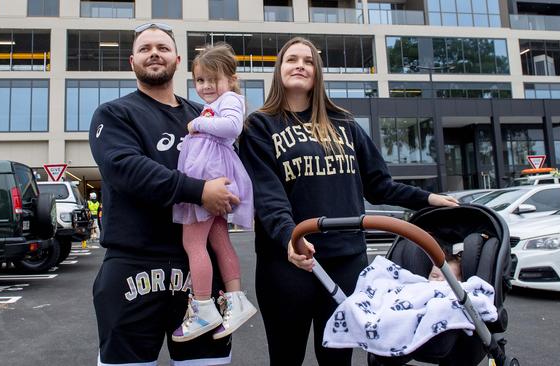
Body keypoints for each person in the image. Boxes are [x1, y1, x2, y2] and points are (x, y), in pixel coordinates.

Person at [238, 37, 459, 366]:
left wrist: (427, 198)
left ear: (317, 72)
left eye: (308, 61)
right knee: (286, 358)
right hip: (289, 265)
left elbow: (379, 185)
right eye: (291, 59)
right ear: (278, 69)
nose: (300, 65)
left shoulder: (344, 124)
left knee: (337, 360)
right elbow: (270, 198)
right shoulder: (259, 125)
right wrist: (290, 237)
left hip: (346, 262)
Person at [88, 23, 238, 366]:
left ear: (177, 59)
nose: (154, 53)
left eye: (162, 47)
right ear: (132, 62)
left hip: (199, 274)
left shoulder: (203, 116)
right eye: (145, 48)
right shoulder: (114, 114)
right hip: (132, 266)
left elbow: (232, 166)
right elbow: (125, 169)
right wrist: (199, 192)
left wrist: (235, 192)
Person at [171, 43, 257, 342]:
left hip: (211, 175)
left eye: (213, 79)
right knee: (218, 240)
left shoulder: (230, 99)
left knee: (193, 242)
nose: (206, 86)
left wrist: (198, 123)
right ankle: (235, 301)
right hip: (212, 172)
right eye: (200, 80)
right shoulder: (218, 101)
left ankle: (204, 306)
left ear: (231, 78)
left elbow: (233, 127)